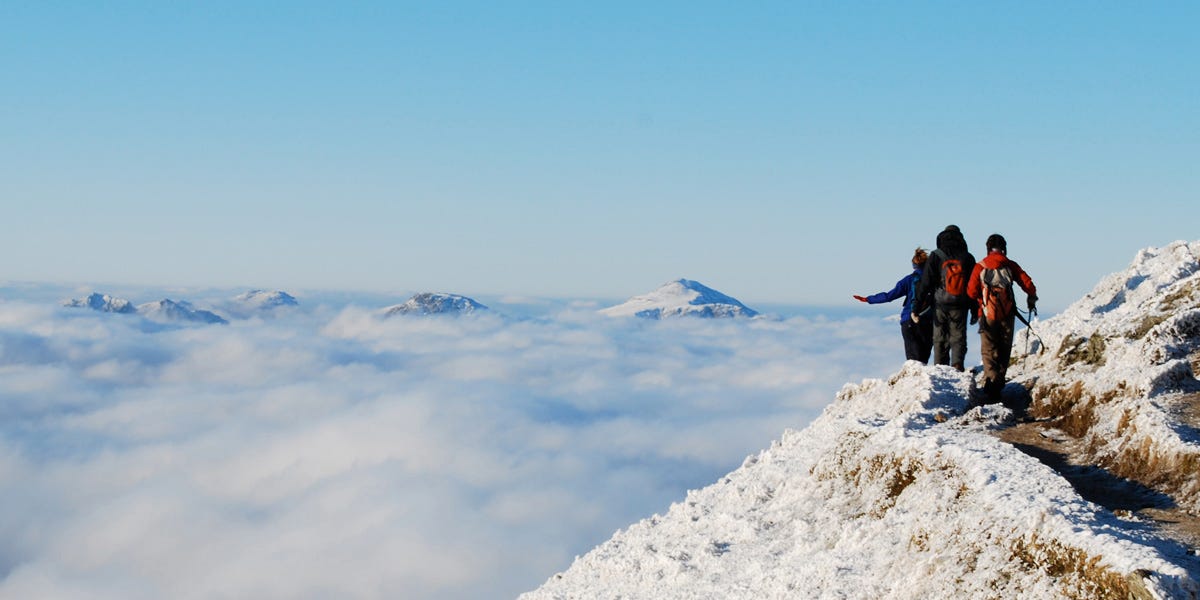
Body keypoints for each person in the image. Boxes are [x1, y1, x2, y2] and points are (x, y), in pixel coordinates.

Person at [966, 233, 1037, 406]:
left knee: (989, 348)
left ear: (988, 248)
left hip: (987, 313)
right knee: (1004, 347)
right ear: (1004, 247)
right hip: (1007, 312)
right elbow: (1027, 283)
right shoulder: (1010, 265)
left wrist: (980, 302)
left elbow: (971, 291)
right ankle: (999, 382)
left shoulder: (980, 266)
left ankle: (991, 380)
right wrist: (1031, 297)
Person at [913, 225, 976, 371]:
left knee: (939, 337)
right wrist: (975, 309)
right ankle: (957, 364)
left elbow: (925, 283)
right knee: (958, 336)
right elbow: (973, 286)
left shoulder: (936, 255)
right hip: (961, 303)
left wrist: (916, 307)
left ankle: (940, 367)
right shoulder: (967, 257)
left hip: (940, 302)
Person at [853, 248, 934, 363]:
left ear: (913, 266)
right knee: (923, 359)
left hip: (909, 320)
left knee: (913, 361)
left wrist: (868, 299)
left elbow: (889, 296)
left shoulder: (908, 280)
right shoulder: (934, 281)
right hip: (928, 322)